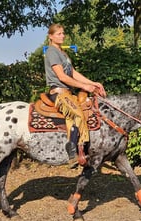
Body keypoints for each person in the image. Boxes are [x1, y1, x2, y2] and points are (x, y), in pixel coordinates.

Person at [44, 23, 106, 166]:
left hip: (68, 93)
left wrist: (93, 83)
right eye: (59, 34)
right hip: (58, 92)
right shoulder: (52, 52)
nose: (62, 36)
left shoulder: (63, 53)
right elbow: (62, 77)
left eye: (63, 33)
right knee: (78, 114)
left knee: (86, 110)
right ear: (51, 36)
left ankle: (84, 147)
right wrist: (85, 86)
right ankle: (72, 149)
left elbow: (72, 73)